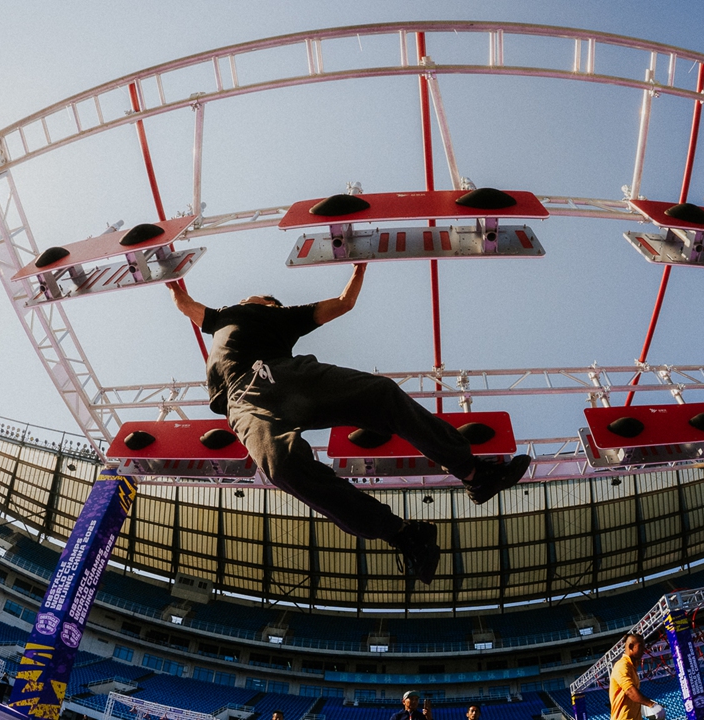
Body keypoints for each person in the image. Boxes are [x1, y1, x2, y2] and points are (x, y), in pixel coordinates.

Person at [170, 267, 531, 584]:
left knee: (380, 393)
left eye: (254, 297)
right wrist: (167, 275)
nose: (244, 297)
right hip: (242, 402)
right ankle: (403, 534)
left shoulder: (282, 316)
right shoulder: (220, 317)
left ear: (269, 304)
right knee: (283, 468)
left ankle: (474, 473)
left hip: (282, 374)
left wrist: (361, 265)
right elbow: (184, 303)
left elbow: (344, 302)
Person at [609, 633, 663, 720]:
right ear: (631, 647)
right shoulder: (622, 666)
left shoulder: (631, 667)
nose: (644, 650)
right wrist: (651, 705)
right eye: (641, 646)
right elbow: (630, 691)